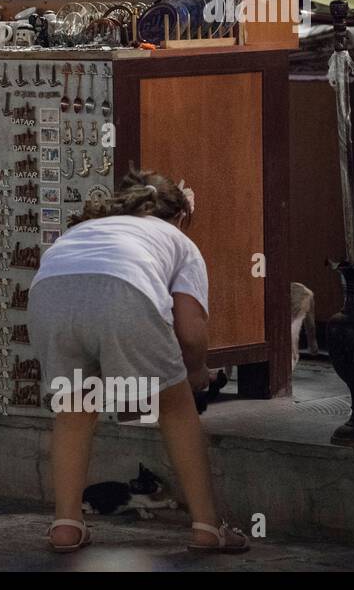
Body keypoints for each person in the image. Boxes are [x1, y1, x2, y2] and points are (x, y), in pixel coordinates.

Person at [26, 169, 250, 553]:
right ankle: (207, 527)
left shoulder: (89, 228)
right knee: (175, 408)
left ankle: (66, 525)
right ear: (180, 217)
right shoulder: (177, 239)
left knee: (75, 410)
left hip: (48, 296)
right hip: (122, 292)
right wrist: (195, 373)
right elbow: (191, 328)